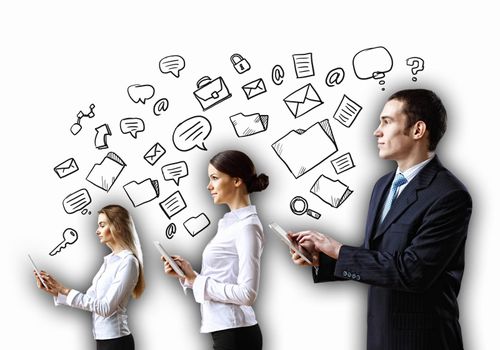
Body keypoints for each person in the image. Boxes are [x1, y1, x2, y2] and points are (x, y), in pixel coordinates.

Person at [289, 89, 472, 350]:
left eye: (387, 122)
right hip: (380, 337)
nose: (377, 131)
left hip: (423, 341)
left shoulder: (449, 195)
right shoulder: (383, 185)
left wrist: (340, 250)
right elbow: (377, 254)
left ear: (418, 130)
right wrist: (322, 258)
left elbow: (413, 271)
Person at [162, 150, 269, 350]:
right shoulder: (229, 224)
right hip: (226, 330)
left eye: (214, 178)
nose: (208, 186)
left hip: (236, 334)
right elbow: (222, 277)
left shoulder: (247, 227)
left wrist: (197, 281)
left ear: (236, 181)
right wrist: (188, 275)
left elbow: (247, 294)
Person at [34, 204, 145, 350]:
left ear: (117, 227)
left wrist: (66, 290)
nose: (97, 231)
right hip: (102, 340)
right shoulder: (109, 261)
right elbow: (90, 301)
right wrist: (56, 291)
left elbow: (106, 308)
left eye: (102, 225)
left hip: (117, 342)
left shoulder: (128, 262)